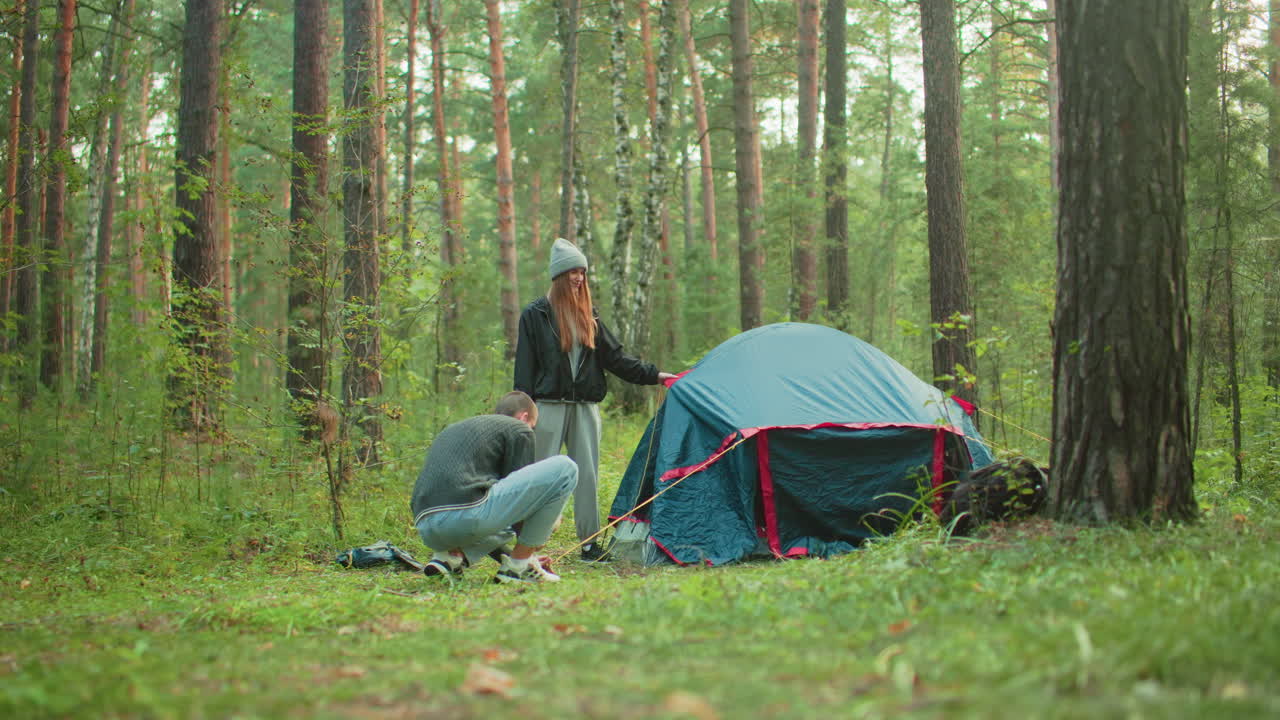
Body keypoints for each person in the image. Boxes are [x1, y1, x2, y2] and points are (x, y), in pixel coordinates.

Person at [514, 238, 677, 561]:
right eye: (572, 271)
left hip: (586, 408)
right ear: (558, 276)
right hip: (547, 407)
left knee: (587, 475)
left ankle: (588, 543)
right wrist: (523, 409)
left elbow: (617, 360)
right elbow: (525, 367)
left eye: (582, 271)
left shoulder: (591, 316)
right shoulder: (535, 315)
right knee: (539, 474)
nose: (578, 277)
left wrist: (657, 375)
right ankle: (528, 545)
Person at [410, 390, 577, 584]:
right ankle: (519, 567)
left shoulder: (459, 429)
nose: (531, 431)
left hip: (426, 528)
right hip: (464, 518)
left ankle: (451, 558)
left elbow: (500, 513)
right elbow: (521, 509)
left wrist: (508, 557)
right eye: (533, 426)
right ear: (524, 417)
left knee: (493, 506)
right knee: (566, 468)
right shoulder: (519, 428)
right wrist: (541, 533)